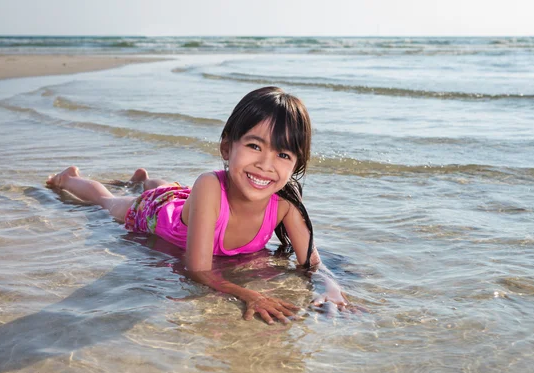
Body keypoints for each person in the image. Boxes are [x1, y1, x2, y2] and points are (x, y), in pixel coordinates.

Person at [47, 86, 363, 325]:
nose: (266, 165)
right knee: (109, 201)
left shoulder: (286, 204)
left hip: (187, 202)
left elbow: (311, 262)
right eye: (255, 146)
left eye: (283, 155)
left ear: (295, 165)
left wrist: (331, 287)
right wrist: (248, 293)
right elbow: (197, 269)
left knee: (171, 189)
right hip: (156, 214)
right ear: (227, 148)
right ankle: (69, 179)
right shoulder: (210, 185)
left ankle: (146, 179)